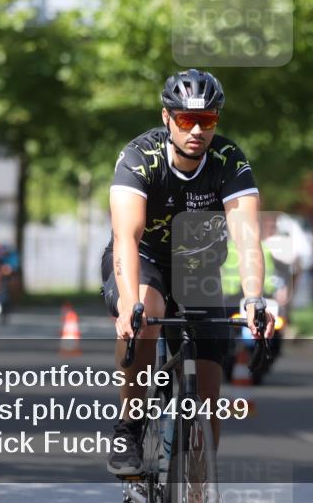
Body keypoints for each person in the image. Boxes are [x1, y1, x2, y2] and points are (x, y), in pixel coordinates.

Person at [101, 68, 274, 476]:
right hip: (143, 260)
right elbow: (126, 236)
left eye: (208, 120)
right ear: (167, 118)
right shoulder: (139, 157)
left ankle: (199, 477)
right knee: (147, 314)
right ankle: (129, 426)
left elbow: (247, 239)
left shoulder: (228, 161)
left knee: (209, 392)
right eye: (185, 119)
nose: (196, 129)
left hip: (198, 269)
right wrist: (128, 304)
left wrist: (253, 297)